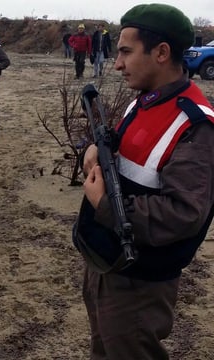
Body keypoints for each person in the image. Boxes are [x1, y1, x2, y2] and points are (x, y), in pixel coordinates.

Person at [74, 4, 214, 359]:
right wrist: (91, 149)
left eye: (125, 51)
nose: (117, 63)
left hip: (139, 283)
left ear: (162, 53)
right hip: (106, 264)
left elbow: (184, 213)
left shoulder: (195, 126)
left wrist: (105, 205)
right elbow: (122, 156)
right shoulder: (143, 103)